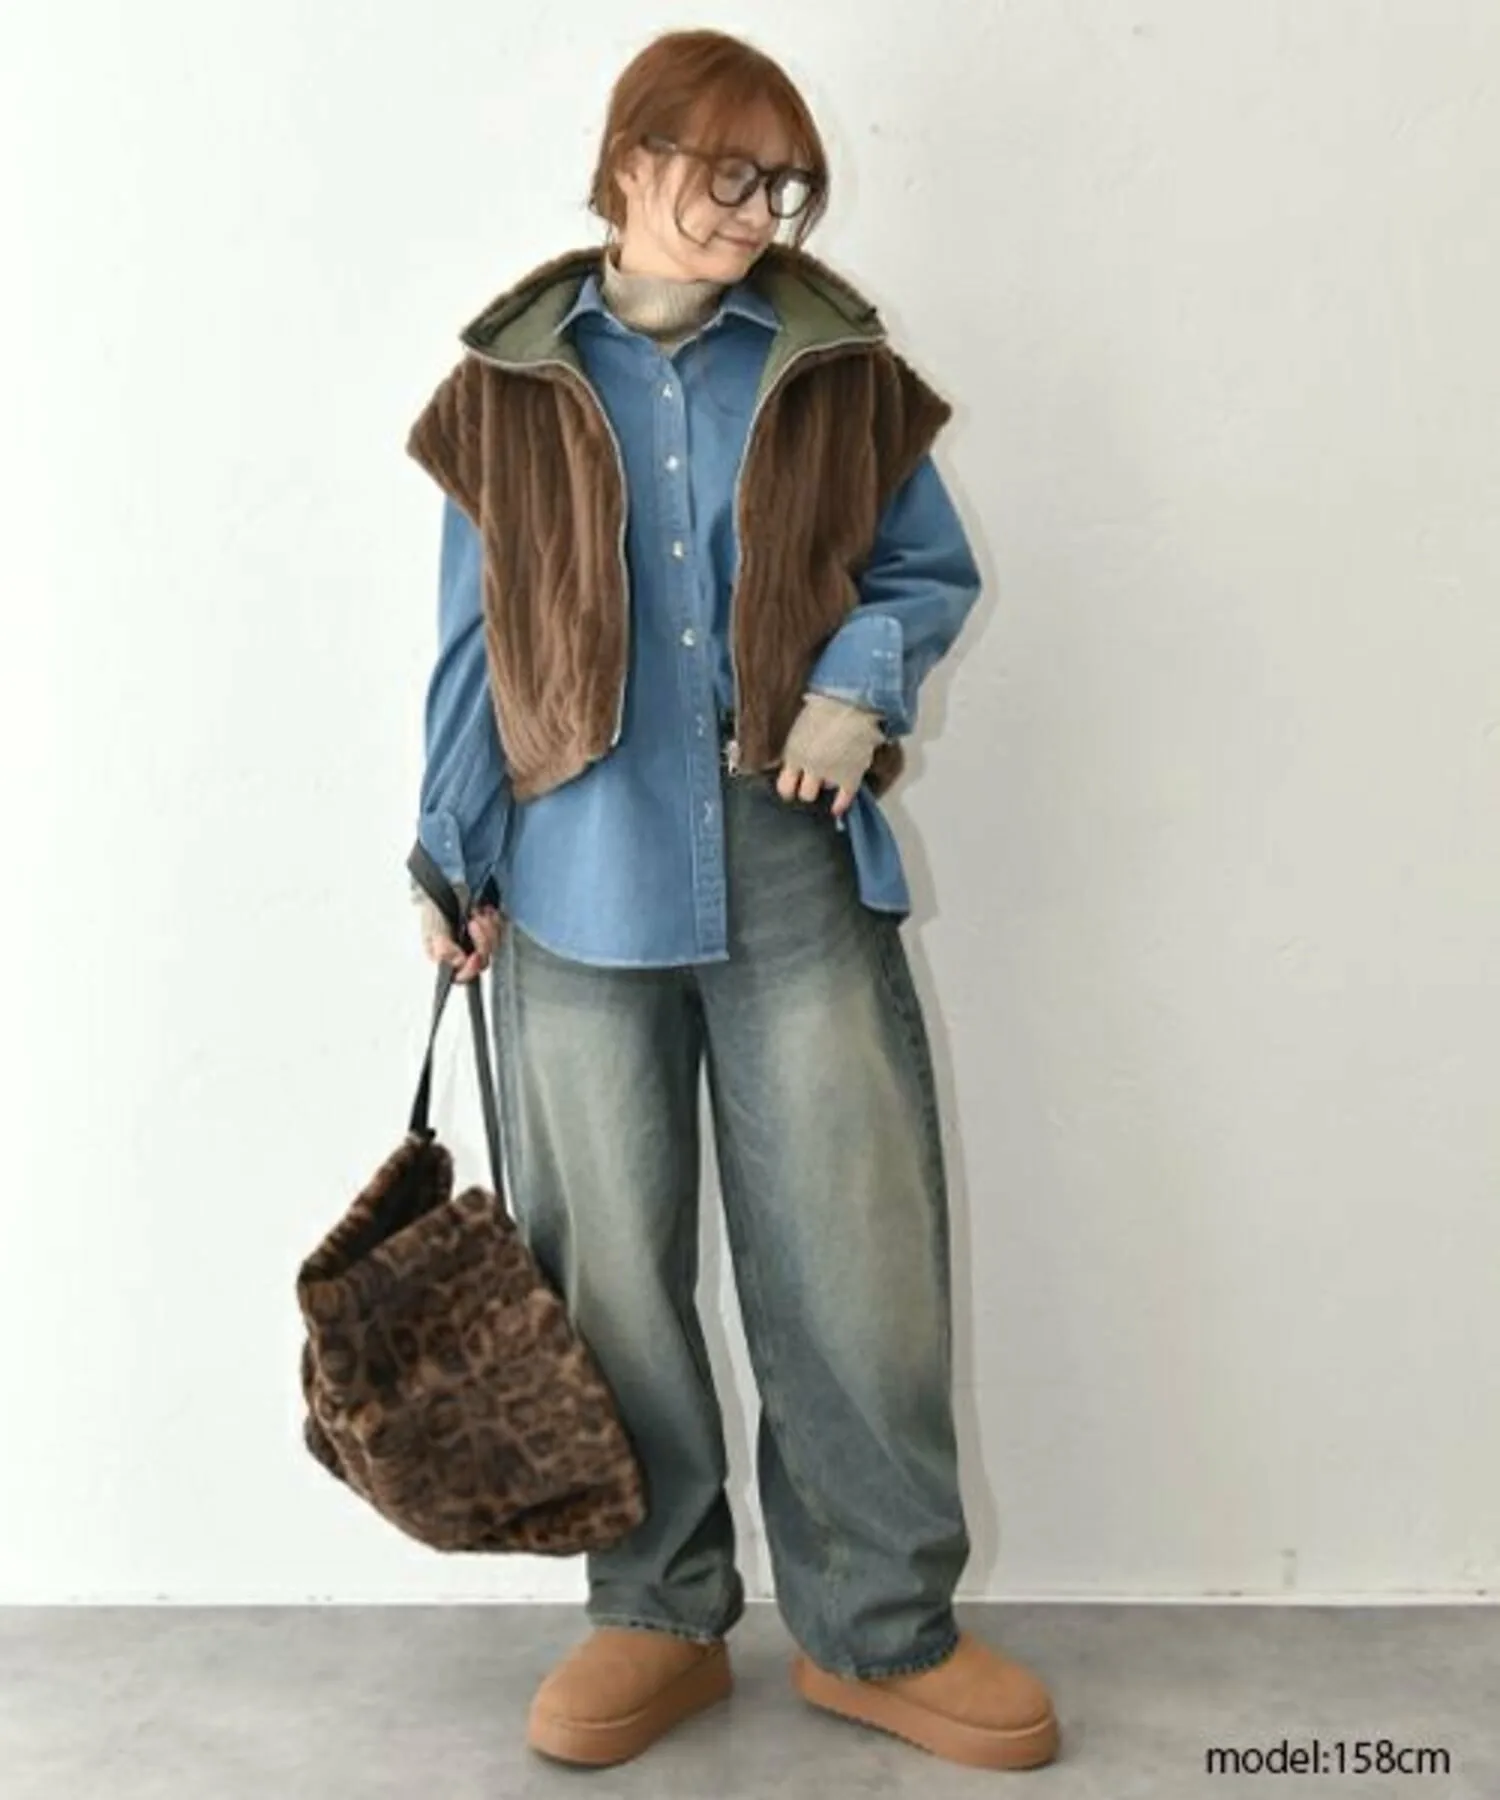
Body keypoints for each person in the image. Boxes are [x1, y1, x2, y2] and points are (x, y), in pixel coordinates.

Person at [406, 25, 1060, 1775]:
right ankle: (653, 1612)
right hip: (573, 873)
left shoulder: (838, 367)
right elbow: (474, 646)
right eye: (730, 174)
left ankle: (881, 1629)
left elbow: (923, 570)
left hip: (791, 859)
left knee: (855, 1262)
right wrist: (449, 853)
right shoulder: (508, 386)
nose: (760, 212)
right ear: (632, 160)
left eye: (786, 186)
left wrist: (861, 679)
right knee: (608, 1275)